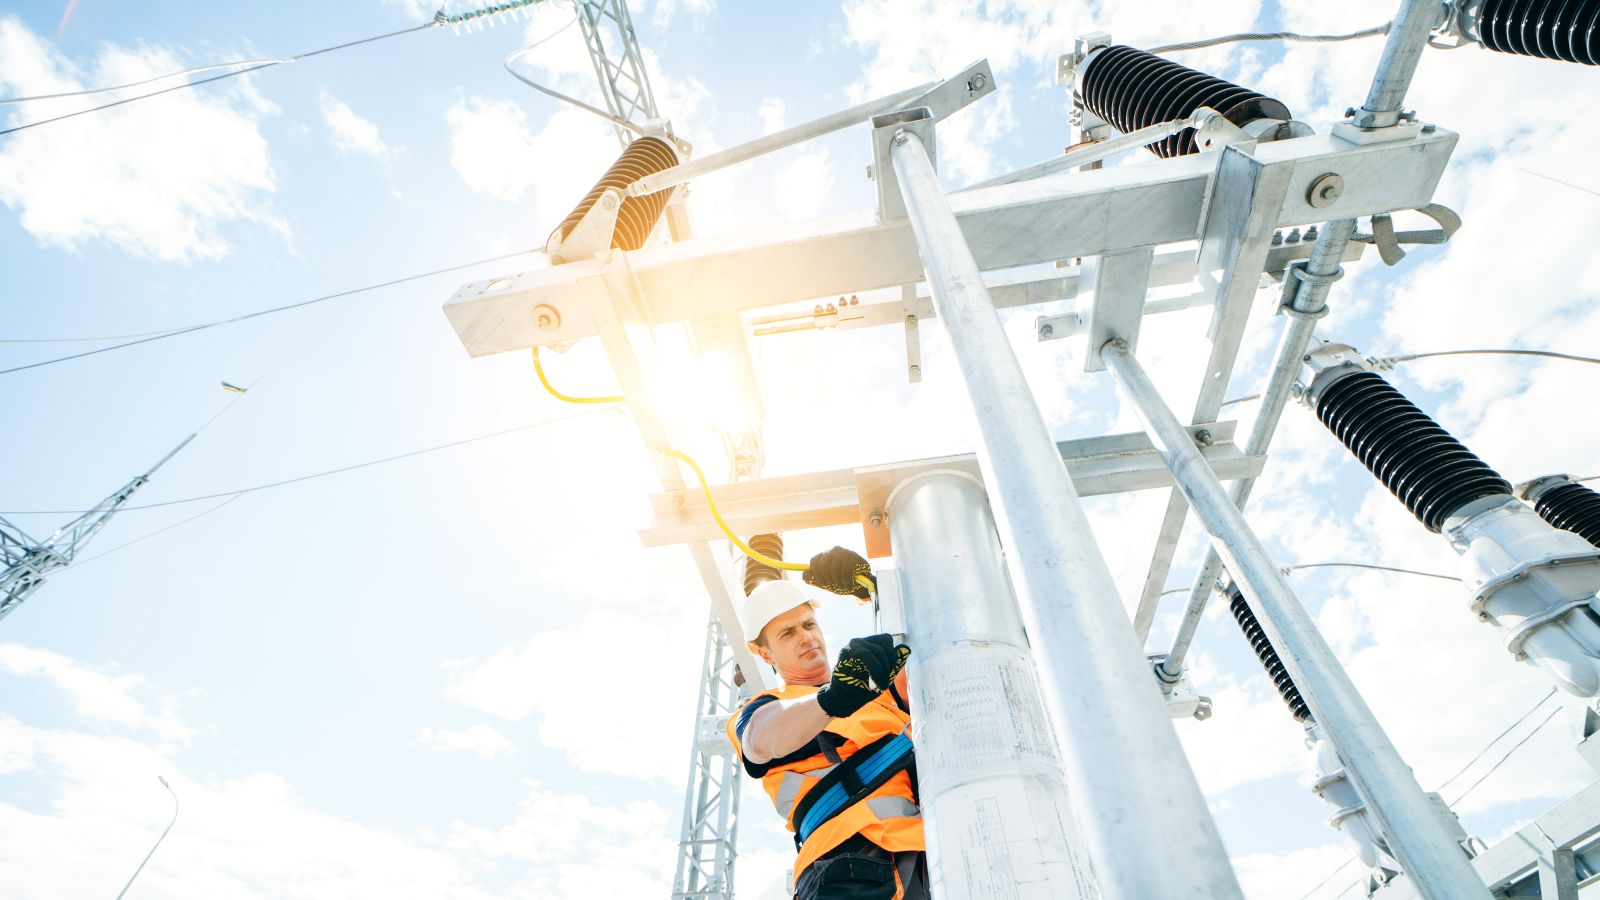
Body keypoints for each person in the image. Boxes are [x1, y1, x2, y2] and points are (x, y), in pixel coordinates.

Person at [725, 546, 927, 900]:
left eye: (808, 624)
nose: (806, 637)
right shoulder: (767, 709)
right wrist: (831, 700)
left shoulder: (879, 692)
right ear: (765, 653)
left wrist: (879, 589)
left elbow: (935, 644)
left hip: (929, 849)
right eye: (788, 634)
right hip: (846, 863)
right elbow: (760, 739)